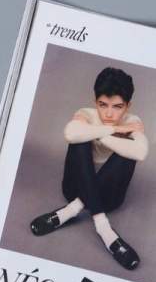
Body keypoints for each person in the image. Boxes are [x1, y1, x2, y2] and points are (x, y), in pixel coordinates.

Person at [30, 66, 149, 270]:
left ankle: (71, 210)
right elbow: (70, 133)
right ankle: (104, 227)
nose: (109, 113)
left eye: (117, 107)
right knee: (79, 140)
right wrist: (115, 129)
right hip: (74, 188)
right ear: (95, 102)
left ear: (128, 106)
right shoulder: (86, 114)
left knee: (128, 152)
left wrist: (98, 133)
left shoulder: (133, 122)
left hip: (108, 198)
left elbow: (141, 152)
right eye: (103, 105)